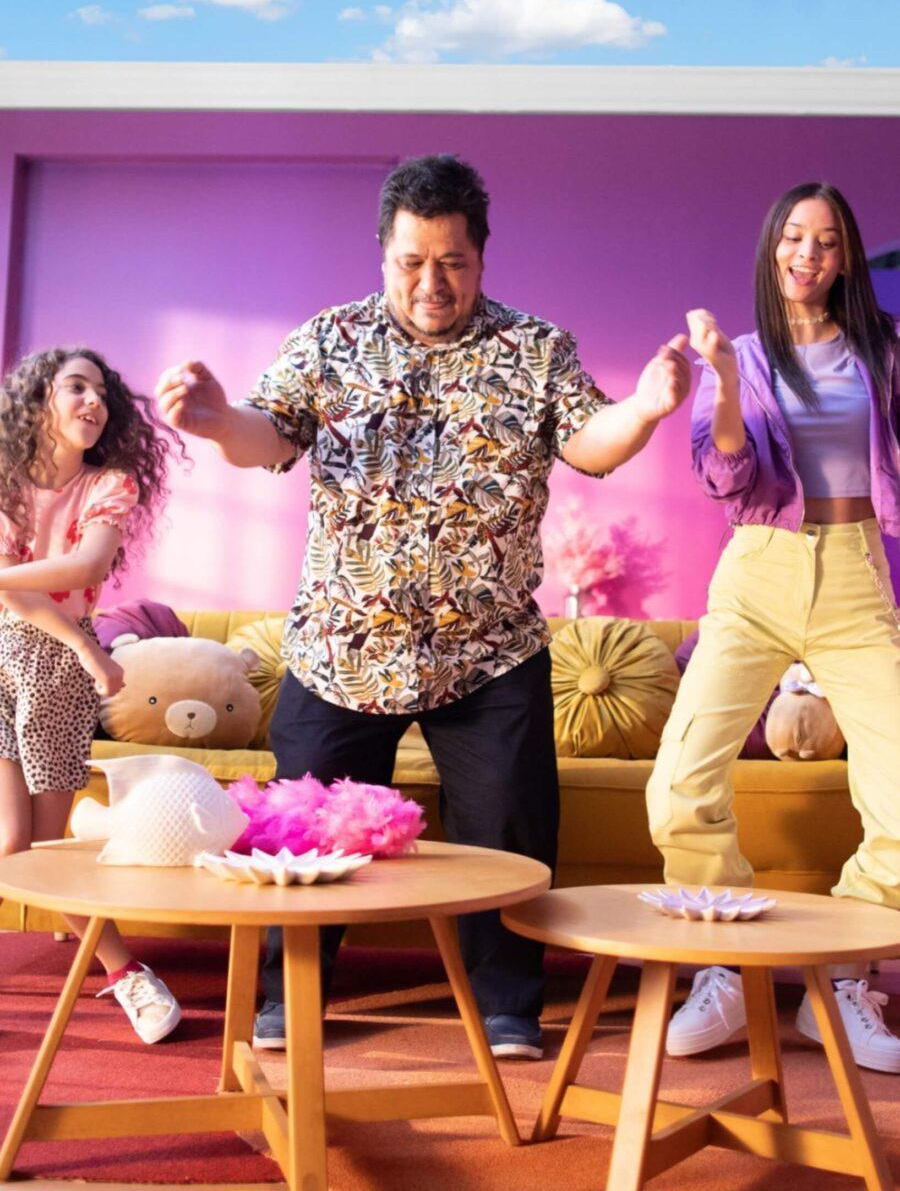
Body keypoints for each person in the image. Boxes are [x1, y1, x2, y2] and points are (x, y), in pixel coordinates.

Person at [156, 153, 691, 1059]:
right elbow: (265, 433)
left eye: (452, 262)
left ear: (482, 256)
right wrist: (212, 421)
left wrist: (642, 407)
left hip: (489, 652)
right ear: (382, 252)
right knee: (301, 830)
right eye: (411, 262)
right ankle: (292, 996)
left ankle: (508, 1004)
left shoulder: (535, 348)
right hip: (342, 644)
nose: (431, 282)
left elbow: (593, 447)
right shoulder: (328, 341)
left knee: (510, 835)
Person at [646, 183, 900, 1074]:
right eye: (794, 236)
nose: (808, 254)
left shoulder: (884, 350)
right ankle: (725, 967)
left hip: (857, 575)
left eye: (827, 241)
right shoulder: (743, 357)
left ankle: (845, 977)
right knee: (678, 782)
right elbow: (730, 479)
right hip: (758, 570)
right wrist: (719, 382)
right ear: (772, 249)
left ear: (845, 258)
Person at [0, 347, 184, 1044]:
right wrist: (89, 648)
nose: (94, 402)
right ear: (38, 399)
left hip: (53, 663)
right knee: (9, 840)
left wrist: (79, 648)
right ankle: (127, 971)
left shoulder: (111, 484)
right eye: (76, 386)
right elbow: (14, 594)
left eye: (103, 392)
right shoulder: (3, 478)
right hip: (25, 644)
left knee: (38, 846)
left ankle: (126, 972)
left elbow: (82, 566)